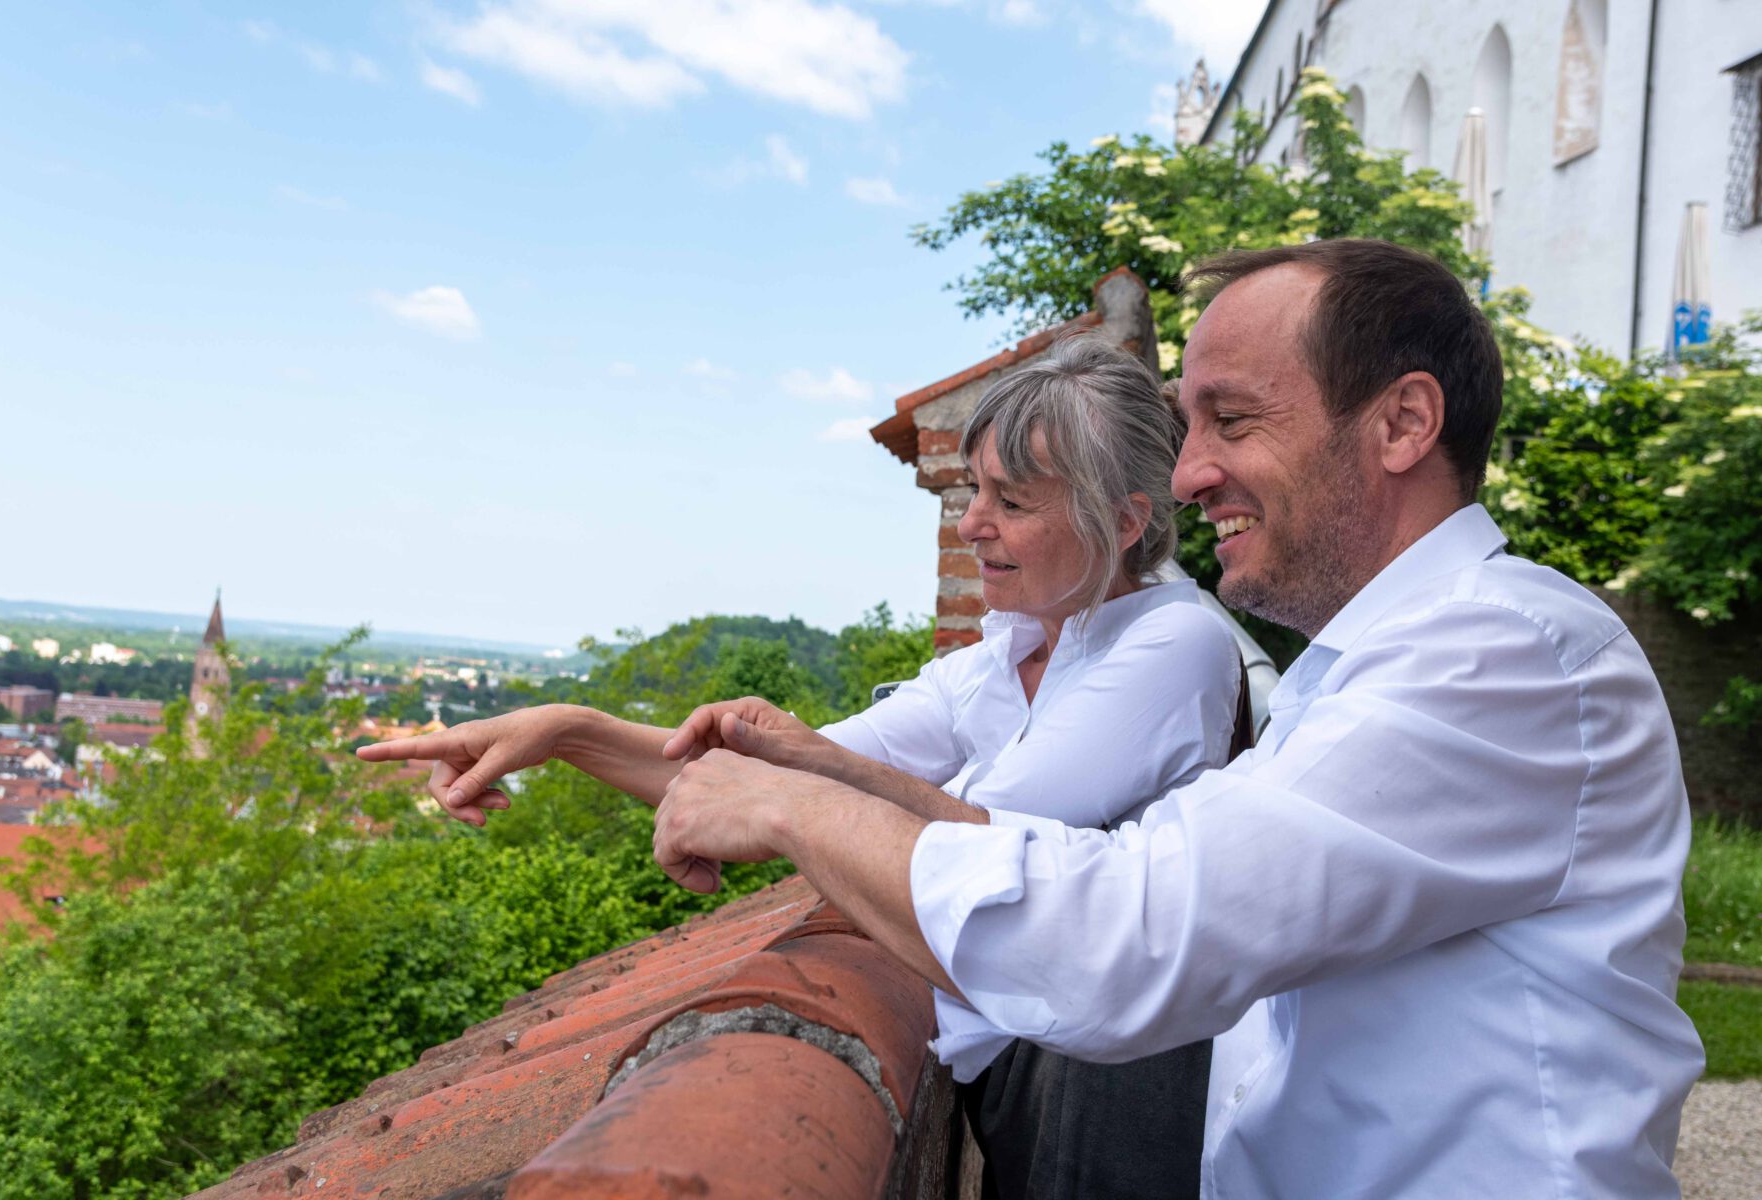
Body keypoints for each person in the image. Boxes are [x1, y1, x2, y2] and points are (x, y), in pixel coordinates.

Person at [650, 239, 1705, 1197]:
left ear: (1402, 424)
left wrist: (796, 808)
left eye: (1231, 420)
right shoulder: (1365, 668)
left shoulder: (1503, 655)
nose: (1191, 472)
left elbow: (1122, 937)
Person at [357, 335, 1246, 1197]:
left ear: (1126, 522)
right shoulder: (1002, 656)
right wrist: (569, 732)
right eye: (975, 491)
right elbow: (768, 782)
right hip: (1029, 1067)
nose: (973, 524)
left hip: (1112, 1091)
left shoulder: (1174, 644)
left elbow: (975, 856)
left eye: (1011, 503)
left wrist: (791, 779)